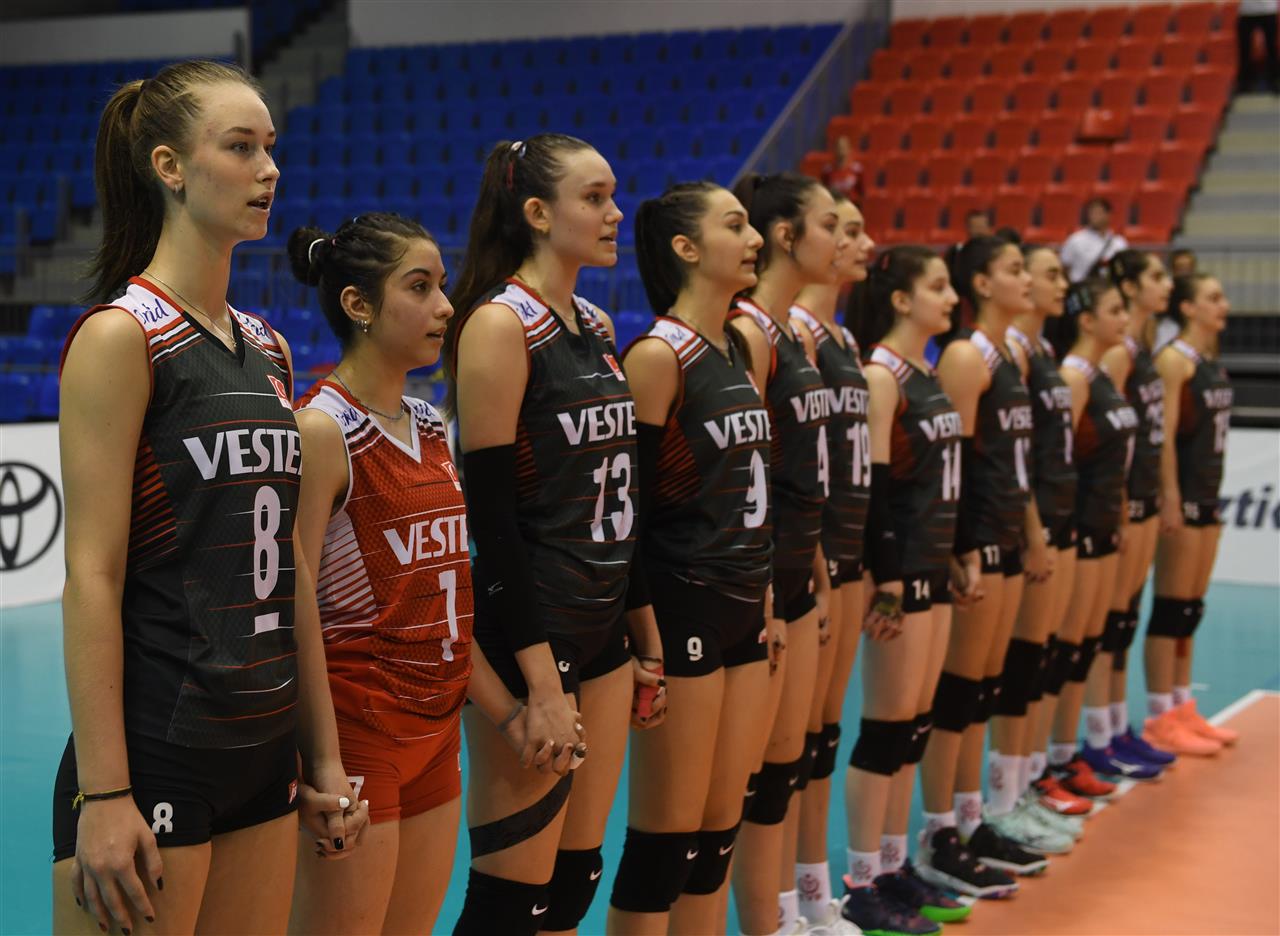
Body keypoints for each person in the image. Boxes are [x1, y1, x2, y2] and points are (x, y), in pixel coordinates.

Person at [51, 60, 366, 936]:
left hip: (262, 751)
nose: (270, 169)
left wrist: (322, 756)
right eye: (241, 147)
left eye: (271, 147)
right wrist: (104, 792)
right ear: (170, 167)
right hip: (158, 750)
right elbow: (92, 576)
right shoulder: (122, 338)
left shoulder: (269, 349)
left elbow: (291, 569)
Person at [284, 215, 532, 934]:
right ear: (358, 305)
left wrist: (509, 717)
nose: (445, 307)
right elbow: (294, 606)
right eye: (419, 288)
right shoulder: (322, 430)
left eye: (442, 286)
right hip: (360, 734)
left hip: (437, 736)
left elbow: (445, 604)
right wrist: (321, 763)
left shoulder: (428, 423)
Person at [445, 133, 662, 936]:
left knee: (575, 879)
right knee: (511, 899)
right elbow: (492, 518)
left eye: (613, 196)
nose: (615, 214)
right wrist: (539, 684)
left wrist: (645, 637)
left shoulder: (596, 324)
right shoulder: (500, 325)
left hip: (603, 628)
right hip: (533, 631)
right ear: (537, 213)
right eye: (594, 198)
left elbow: (623, 496)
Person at [605, 181, 775, 936]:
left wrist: (767, 599)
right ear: (686, 248)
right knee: (663, 842)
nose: (755, 238)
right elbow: (629, 518)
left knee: (717, 834)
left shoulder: (743, 346)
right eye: (735, 225)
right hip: (684, 604)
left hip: (744, 600)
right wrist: (644, 638)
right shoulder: (657, 356)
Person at [838, 246, 974, 934]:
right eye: (938, 287)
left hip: (934, 563)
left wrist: (956, 553)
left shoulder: (927, 373)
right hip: (902, 571)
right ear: (901, 300)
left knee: (915, 726)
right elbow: (876, 489)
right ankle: (861, 881)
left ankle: (894, 867)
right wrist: (886, 579)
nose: (950, 299)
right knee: (887, 729)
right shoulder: (881, 375)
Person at [918, 235, 1052, 886]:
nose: (1026, 280)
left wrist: (1028, 530)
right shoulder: (967, 355)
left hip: (1005, 536)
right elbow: (956, 464)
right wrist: (961, 548)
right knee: (960, 692)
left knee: (985, 689)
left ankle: (972, 819)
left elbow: (1013, 464)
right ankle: (938, 831)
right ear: (981, 284)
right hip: (976, 543)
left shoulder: (1010, 355)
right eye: (1014, 269)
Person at [726, 171, 838, 936]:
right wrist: (766, 589)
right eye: (829, 223)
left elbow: (801, 471)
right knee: (750, 778)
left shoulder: (796, 331)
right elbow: (749, 476)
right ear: (786, 235)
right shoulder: (749, 331)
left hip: (798, 571)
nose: (842, 237)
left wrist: (817, 565)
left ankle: (788, 914)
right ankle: (763, 922)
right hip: (757, 585)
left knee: (788, 763)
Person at [787, 194, 877, 929]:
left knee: (822, 737)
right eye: (845, 230)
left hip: (849, 550)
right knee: (792, 748)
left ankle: (817, 894)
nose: (862, 243)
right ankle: (791, 904)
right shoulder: (798, 334)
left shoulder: (842, 337)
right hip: (809, 558)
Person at [1043, 278, 1144, 794]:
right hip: (1079, 528)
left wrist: (1119, 513)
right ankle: (1054, 761)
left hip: (1104, 524)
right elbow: (1063, 462)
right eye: (1114, 310)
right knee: (1066, 648)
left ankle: (1075, 751)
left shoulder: (1105, 373)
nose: (1124, 318)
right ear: (1086, 320)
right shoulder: (1074, 377)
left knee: (1087, 645)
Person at [1006, 248, 1093, 823]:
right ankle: (1013, 791)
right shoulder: (1012, 352)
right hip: (1028, 525)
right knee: (1023, 664)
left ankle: (1034, 777)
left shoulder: (1043, 350)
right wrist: (1033, 529)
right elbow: (1014, 457)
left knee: (1047, 657)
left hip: (1058, 518)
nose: (1062, 285)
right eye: (1049, 275)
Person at [1142, 274, 1238, 754]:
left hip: (1208, 493)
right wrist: (1171, 496)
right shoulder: (1173, 361)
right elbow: (1163, 438)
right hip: (1183, 497)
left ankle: (1183, 706)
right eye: (1213, 298)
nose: (1224, 305)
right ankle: (1160, 715)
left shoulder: (1209, 361)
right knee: (1170, 606)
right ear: (1187, 307)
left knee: (1191, 608)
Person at [1093, 251, 1179, 773]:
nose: (1165, 284)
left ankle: (1118, 726)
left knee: (1125, 619)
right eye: (1154, 276)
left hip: (1144, 494)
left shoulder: (1142, 346)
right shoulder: (1117, 353)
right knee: (1109, 622)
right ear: (1127, 285)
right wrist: (1120, 503)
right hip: (1124, 501)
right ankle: (1098, 735)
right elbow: (1105, 436)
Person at [1060, 198, 1130, 283]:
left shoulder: (1119, 242)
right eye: (1092, 213)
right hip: (1082, 286)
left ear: (1108, 215)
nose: (1094, 216)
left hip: (1109, 287)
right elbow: (1065, 266)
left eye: (1098, 212)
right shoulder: (1075, 240)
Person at [1237, 0, 1280, 94]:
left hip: (1268, 10)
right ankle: (1245, 83)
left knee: (1272, 48)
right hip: (1246, 11)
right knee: (1244, 50)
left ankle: (1274, 80)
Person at [824, 135, 864, 202]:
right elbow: (825, 192)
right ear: (834, 149)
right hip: (835, 204)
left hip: (852, 204)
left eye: (844, 147)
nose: (841, 150)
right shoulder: (827, 171)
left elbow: (862, 192)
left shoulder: (857, 170)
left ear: (849, 149)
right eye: (839, 147)